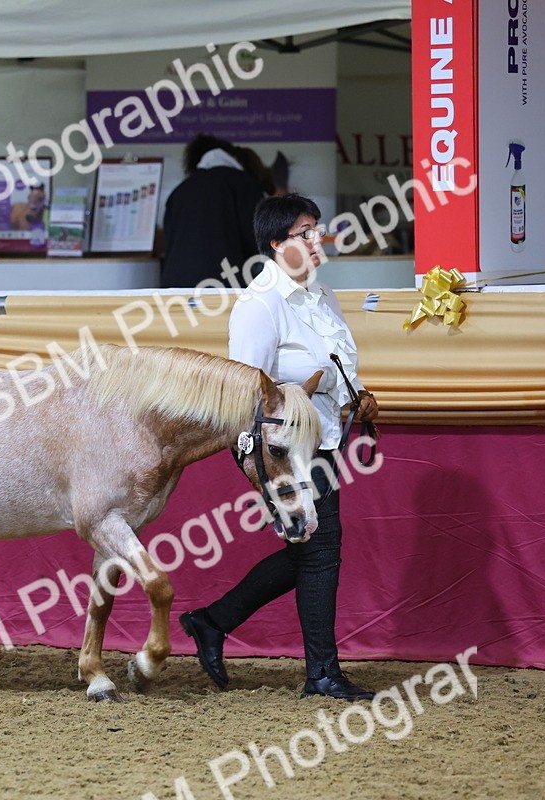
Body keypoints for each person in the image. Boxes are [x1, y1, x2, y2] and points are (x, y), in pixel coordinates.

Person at [179, 193, 380, 701]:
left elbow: (332, 366)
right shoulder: (259, 305)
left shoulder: (322, 295)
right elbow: (246, 392)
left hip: (324, 438)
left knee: (313, 551)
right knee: (320, 551)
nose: (317, 241)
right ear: (275, 243)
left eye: (317, 230)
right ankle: (321, 674)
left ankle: (212, 621)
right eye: (304, 232)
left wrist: (355, 396)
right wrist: (263, 466)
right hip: (285, 451)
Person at [161, 134, 265, 288]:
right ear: (234, 157)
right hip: (224, 286)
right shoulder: (243, 183)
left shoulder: (179, 191)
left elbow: (167, 243)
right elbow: (259, 241)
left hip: (174, 288)